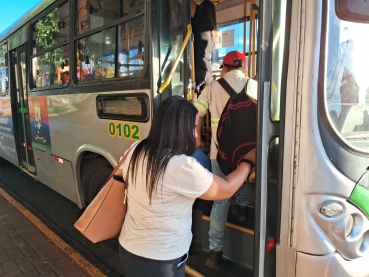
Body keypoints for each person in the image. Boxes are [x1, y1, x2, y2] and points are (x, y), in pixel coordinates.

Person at [118, 96, 255, 277]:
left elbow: (120, 177)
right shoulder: (180, 166)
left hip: (129, 249)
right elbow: (227, 189)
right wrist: (248, 161)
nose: (197, 134)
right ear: (181, 129)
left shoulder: (136, 149)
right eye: (194, 128)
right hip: (161, 261)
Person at [194, 50, 251, 271]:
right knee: (244, 173)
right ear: (242, 68)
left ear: (224, 68)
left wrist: (199, 138)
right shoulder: (253, 85)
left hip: (220, 152)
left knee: (220, 201)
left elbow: (196, 113)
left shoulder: (212, 87)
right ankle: (243, 209)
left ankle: (215, 253)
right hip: (247, 151)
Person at [191, 0, 217, 95]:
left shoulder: (200, 19)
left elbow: (188, 3)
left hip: (197, 69)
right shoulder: (212, 29)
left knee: (193, 103)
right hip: (208, 72)